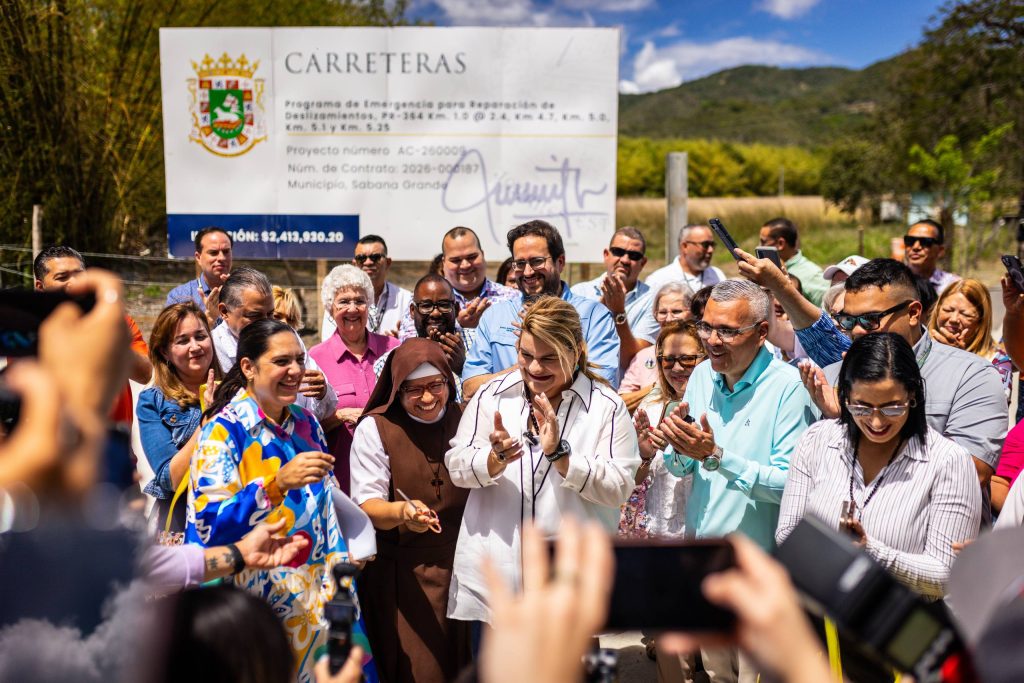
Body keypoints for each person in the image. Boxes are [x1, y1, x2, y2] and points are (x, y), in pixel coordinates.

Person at [185, 318, 377, 683]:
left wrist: (349, 543)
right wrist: (275, 486)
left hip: (319, 600)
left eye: (299, 360)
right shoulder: (222, 432)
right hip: (258, 607)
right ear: (248, 367)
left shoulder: (307, 423)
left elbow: (325, 501)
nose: (295, 371)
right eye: (281, 361)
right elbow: (209, 526)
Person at [656, 279, 817, 683]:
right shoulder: (701, 377)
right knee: (716, 677)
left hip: (759, 578)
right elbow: (681, 468)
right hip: (705, 565)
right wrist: (680, 448)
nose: (712, 341)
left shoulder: (789, 388)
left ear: (762, 332)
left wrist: (715, 455)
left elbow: (791, 485)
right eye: (706, 327)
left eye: (727, 331)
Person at [446, 296, 639, 627]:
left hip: (571, 585)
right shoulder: (492, 395)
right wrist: (493, 460)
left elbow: (619, 488)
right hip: (495, 586)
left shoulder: (606, 406)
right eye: (526, 355)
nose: (535, 368)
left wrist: (562, 458)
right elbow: (456, 466)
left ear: (576, 351)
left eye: (549, 358)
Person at [741, 255, 1006, 495]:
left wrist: (850, 419)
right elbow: (808, 471)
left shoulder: (972, 376)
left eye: (870, 320)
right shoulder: (831, 377)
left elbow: (972, 473)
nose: (857, 331)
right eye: (848, 321)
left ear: (913, 313)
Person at [778, 333, 981, 597]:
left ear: (913, 395)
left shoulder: (948, 461)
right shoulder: (816, 441)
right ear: (845, 396)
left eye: (892, 408)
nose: (876, 422)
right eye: (862, 407)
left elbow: (947, 575)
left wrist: (871, 552)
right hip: (819, 612)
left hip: (894, 618)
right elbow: (787, 534)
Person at [350, 339, 471, 683]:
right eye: (414, 389)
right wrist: (403, 512)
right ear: (396, 390)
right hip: (403, 578)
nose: (428, 398)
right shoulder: (376, 429)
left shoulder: (466, 418)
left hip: (463, 570)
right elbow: (367, 504)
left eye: (436, 385)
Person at [461, 220, 620, 397]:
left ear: (560, 262)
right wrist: (523, 367)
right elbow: (470, 388)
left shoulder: (593, 316)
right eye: (520, 263)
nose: (528, 272)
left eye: (537, 261)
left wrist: (548, 336)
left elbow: (603, 387)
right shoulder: (495, 316)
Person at [33, 245, 152, 429]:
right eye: (62, 277)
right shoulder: (28, 329)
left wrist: (113, 341)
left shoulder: (117, 322)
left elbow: (146, 374)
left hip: (115, 440)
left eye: (79, 275)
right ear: (40, 287)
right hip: (53, 440)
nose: (74, 283)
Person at [310, 264, 401, 490]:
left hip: (393, 474)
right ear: (330, 308)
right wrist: (339, 416)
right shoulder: (315, 359)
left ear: (369, 305)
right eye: (343, 302)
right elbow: (307, 426)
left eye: (359, 301)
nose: (352, 308)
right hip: (342, 480)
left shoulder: (394, 349)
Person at [136, 302, 221, 533]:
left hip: (235, 517)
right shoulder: (152, 402)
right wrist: (208, 420)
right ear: (165, 352)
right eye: (183, 341)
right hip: (180, 524)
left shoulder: (238, 390)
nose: (195, 346)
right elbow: (170, 479)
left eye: (201, 336)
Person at [213, 267, 334, 424]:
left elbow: (316, 408)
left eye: (271, 314)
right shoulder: (212, 350)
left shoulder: (288, 337)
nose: (266, 323)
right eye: (254, 315)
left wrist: (322, 393)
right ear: (224, 311)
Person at [620, 320, 705, 539]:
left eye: (687, 359)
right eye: (668, 359)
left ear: (705, 358)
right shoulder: (650, 406)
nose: (677, 368)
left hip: (702, 535)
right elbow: (634, 481)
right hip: (656, 534)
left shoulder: (716, 407)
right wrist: (644, 455)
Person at [571, 227, 661, 370]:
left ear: (643, 263)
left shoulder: (653, 301)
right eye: (618, 252)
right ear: (606, 255)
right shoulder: (579, 292)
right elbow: (570, 348)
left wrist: (619, 313)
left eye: (634, 255)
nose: (625, 260)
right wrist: (601, 308)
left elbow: (633, 361)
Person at [430, 226, 518, 348]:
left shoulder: (513, 298)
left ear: (483, 255)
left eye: (472, 257)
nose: (465, 265)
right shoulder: (424, 300)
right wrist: (458, 326)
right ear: (444, 262)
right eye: (456, 260)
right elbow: (412, 344)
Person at [928, 278, 1013, 397]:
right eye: (947, 310)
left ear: (980, 321)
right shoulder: (920, 348)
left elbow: (993, 403)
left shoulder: (998, 361)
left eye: (966, 315)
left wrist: (960, 360)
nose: (954, 319)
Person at [376, 274, 466, 381]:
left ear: (456, 308)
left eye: (444, 305)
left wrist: (464, 368)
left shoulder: (478, 343)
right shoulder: (389, 363)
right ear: (412, 311)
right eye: (426, 306)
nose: (435, 313)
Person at [321, 235, 412, 340]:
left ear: (388, 262)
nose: (368, 262)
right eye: (361, 258)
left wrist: (400, 342)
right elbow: (328, 341)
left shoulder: (406, 300)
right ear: (354, 264)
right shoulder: (337, 300)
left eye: (375, 257)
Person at [618, 281, 692, 404]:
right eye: (663, 312)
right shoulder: (643, 356)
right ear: (655, 315)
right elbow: (622, 402)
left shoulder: (704, 354)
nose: (669, 319)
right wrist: (658, 387)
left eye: (676, 311)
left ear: (693, 313)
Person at [165, 227, 233, 325]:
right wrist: (209, 319)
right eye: (213, 253)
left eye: (226, 251)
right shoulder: (179, 297)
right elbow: (172, 333)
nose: (221, 258)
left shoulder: (244, 292)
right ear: (198, 257)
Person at [758, 217, 827, 307]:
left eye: (763, 242)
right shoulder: (767, 269)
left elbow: (826, 311)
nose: (759, 246)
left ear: (781, 243)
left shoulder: (812, 275)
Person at [645, 224, 725, 294]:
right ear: (685, 246)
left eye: (712, 245)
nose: (710, 250)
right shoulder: (659, 280)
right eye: (705, 245)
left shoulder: (717, 275)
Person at [904, 219, 960, 294]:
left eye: (925, 242)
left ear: (940, 251)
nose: (916, 247)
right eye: (910, 240)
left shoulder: (954, 286)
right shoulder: (892, 281)